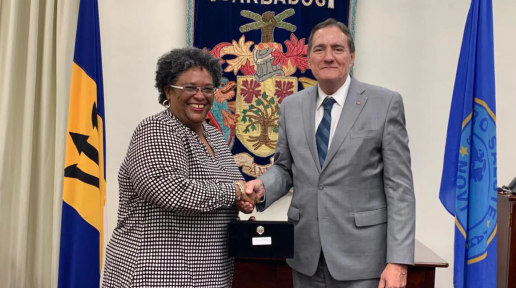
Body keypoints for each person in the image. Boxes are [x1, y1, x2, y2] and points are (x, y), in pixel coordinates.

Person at [245, 18, 415, 288]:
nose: (328, 57)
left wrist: (398, 261)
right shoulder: (291, 106)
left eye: (337, 48)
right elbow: (285, 168)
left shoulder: (385, 104)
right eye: (319, 49)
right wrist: (262, 187)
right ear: (309, 59)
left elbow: (400, 188)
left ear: (351, 56)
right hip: (305, 256)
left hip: (363, 262)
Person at [102, 47, 256, 288]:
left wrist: (242, 200)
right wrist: (234, 192)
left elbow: (234, 185)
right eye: (189, 88)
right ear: (167, 91)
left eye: (207, 88)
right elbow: (173, 192)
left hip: (211, 273)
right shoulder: (156, 131)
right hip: (156, 274)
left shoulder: (215, 136)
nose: (200, 95)